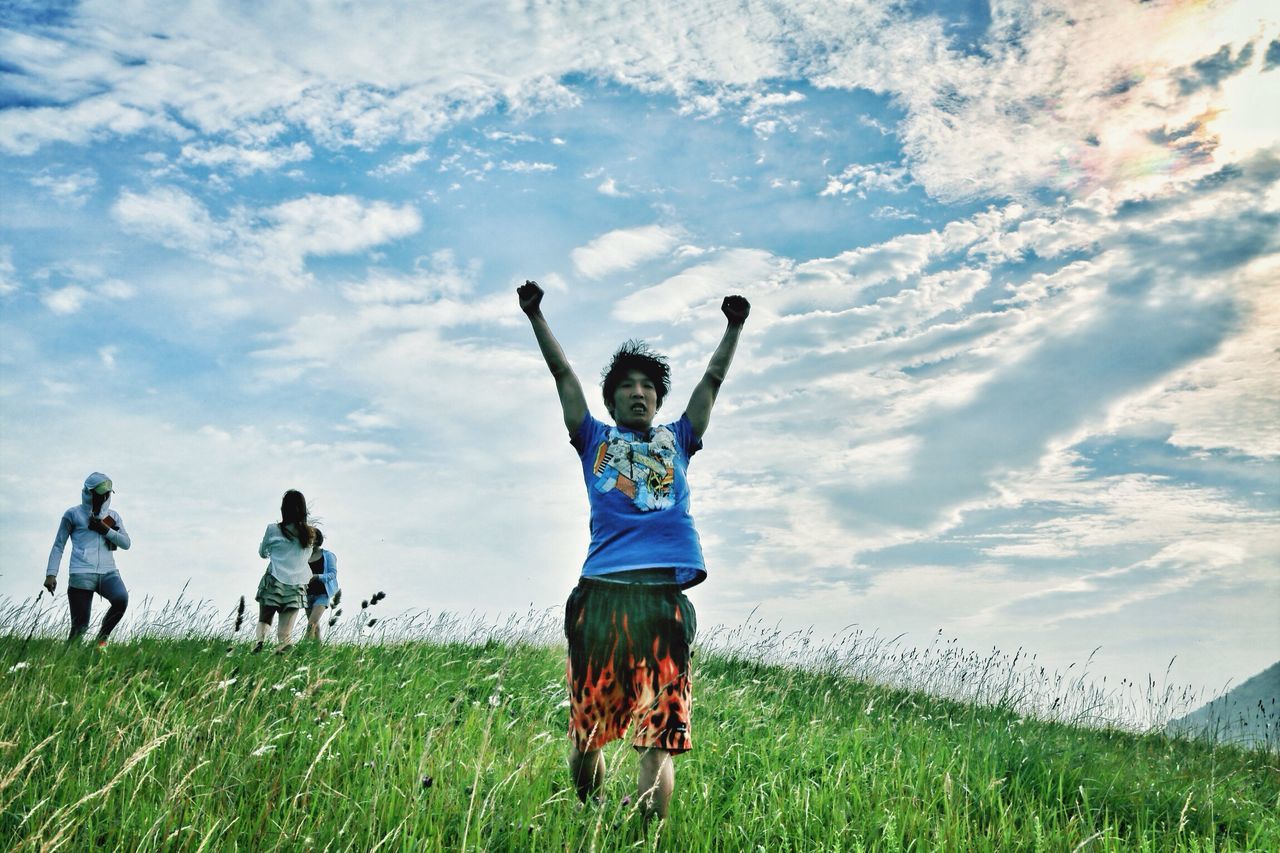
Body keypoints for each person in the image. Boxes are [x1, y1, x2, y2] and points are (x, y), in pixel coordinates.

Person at [517, 279, 750, 821]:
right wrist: (536, 316)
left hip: (661, 603)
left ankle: (644, 840)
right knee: (587, 734)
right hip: (601, 599)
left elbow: (713, 380)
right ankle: (594, 814)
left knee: (658, 738)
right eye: (628, 386)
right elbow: (562, 375)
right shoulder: (594, 439)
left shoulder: (679, 438)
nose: (639, 393)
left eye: (648, 386)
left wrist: (733, 328)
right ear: (613, 398)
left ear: (658, 398)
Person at [44, 472, 131, 645]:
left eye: (108, 493)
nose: (105, 497)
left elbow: (126, 543)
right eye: (101, 493)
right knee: (79, 628)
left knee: (121, 599)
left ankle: (101, 642)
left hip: (108, 572)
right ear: (89, 493)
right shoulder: (72, 514)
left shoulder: (113, 517)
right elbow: (58, 545)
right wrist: (51, 574)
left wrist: (104, 529)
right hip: (81, 573)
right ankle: (65, 662)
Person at [255, 489, 316, 654]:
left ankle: (260, 642)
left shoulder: (273, 529)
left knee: (265, 619)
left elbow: (262, 553)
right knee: (285, 633)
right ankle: (282, 657)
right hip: (296, 586)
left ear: (284, 509)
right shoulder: (310, 534)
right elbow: (306, 558)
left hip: (274, 581)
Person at [305, 529, 339, 642]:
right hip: (306, 594)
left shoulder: (328, 555)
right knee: (316, 627)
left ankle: (302, 649)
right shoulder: (304, 556)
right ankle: (318, 654)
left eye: (311, 537)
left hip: (322, 594)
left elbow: (333, 574)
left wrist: (317, 577)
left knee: (311, 624)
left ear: (317, 539)